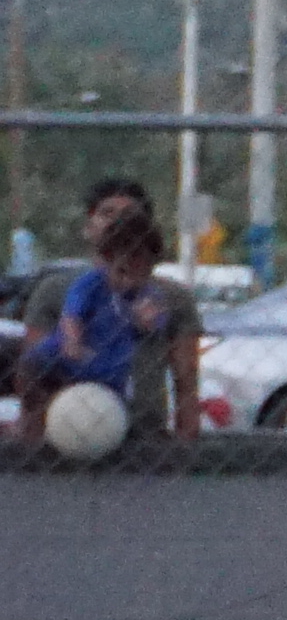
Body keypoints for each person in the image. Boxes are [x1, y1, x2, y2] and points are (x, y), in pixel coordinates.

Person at [18, 188, 180, 448]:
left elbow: (151, 325)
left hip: (108, 369)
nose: (129, 281)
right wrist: (72, 342)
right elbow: (73, 314)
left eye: (141, 273)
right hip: (64, 360)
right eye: (123, 271)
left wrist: (145, 320)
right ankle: (33, 438)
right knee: (29, 372)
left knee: (107, 410)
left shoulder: (149, 296)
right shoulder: (91, 284)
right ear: (107, 260)